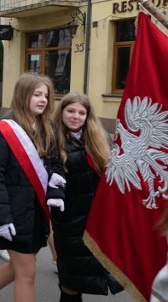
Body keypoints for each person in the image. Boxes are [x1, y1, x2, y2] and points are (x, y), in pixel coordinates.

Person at [0, 73, 65, 302]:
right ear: (23, 95)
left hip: (37, 212)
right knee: (27, 272)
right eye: (37, 94)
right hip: (12, 212)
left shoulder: (48, 126)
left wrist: (56, 184)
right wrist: (2, 217)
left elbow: (54, 163)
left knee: (20, 264)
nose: (43, 99)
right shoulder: (4, 130)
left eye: (46, 95)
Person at [51, 93, 123, 301]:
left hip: (97, 220)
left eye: (82, 112)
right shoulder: (52, 141)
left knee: (85, 275)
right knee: (71, 283)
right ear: (62, 112)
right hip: (69, 223)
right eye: (71, 111)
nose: (76, 116)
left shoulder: (100, 138)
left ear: (88, 116)